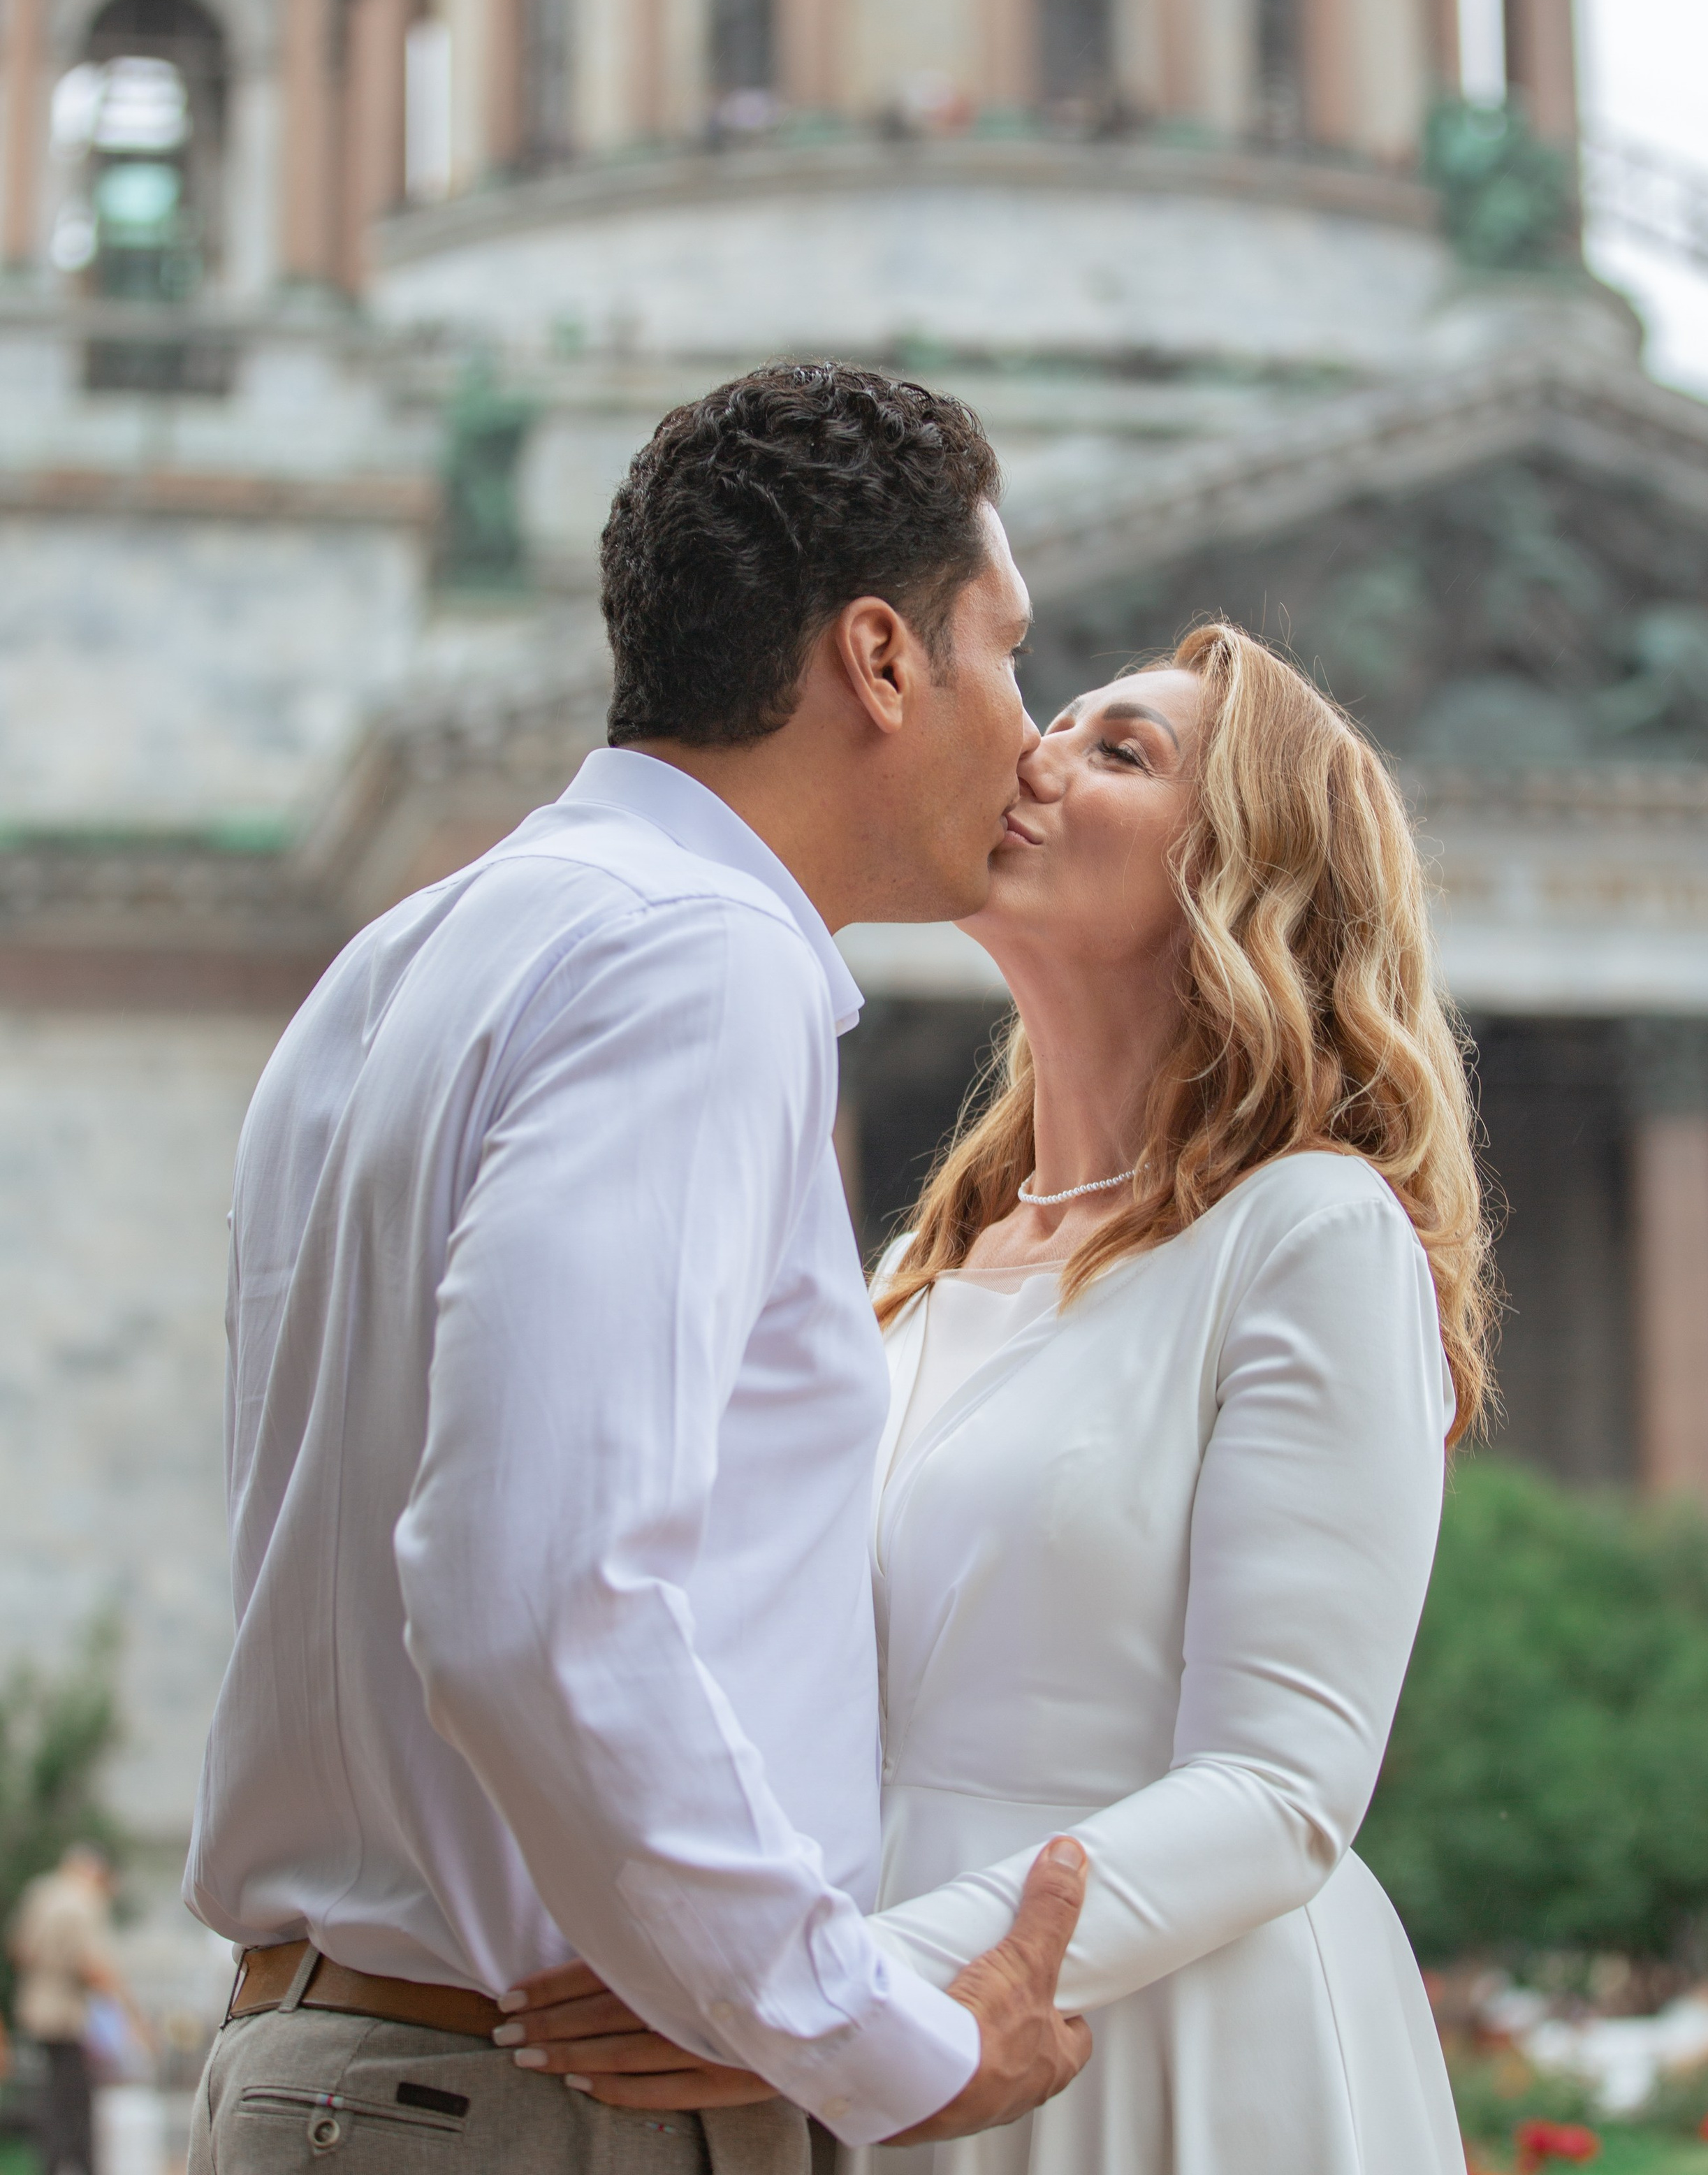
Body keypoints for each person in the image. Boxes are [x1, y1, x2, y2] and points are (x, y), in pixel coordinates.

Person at [182, 364, 1091, 2175]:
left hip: (350, 2059)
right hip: (532, 2106)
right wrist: (861, 2025)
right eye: (1004, 654)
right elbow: (533, 1586)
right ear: (881, 663)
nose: (1037, 735)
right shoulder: (699, 964)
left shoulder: (407, 960)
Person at [503, 622, 1491, 2172]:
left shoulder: (1312, 1232)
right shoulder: (915, 1268)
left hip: (1149, 2036)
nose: (1034, 755)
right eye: (1061, 721)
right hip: (876, 2038)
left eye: (1121, 752)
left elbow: (1277, 1787)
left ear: (1239, 876)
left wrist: (828, 1986)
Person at [8, 1845, 135, 2175]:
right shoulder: (82, 1902)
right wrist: (126, 2009)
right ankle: (73, 2164)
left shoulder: (40, 1893)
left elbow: (18, 1950)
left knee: (52, 2093)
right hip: (67, 2015)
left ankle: (54, 2162)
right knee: (74, 2099)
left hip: (36, 2009)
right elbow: (92, 1965)